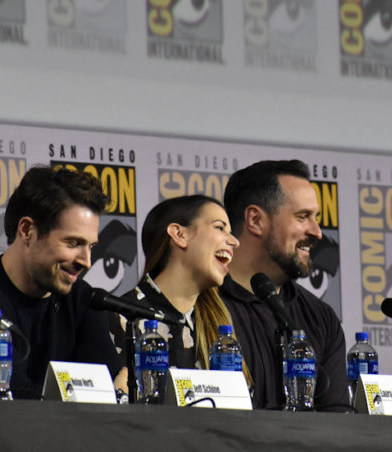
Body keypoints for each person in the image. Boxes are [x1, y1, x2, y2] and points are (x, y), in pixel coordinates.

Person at [0, 166, 121, 399]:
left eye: (91, 247)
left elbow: (108, 390)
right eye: (73, 243)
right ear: (27, 230)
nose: (86, 261)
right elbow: (13, 401)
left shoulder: (82, 299)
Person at [219, 159, 349, 412]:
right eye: (303, 217)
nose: (317, 232)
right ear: (255, 220)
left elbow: (336, 422)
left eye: (315, 218)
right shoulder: (201, 304)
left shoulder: (321, 318)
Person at [110, 195, 251, 392]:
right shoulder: (119, 318)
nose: (235, 242)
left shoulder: (223, 327)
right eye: (219, 227)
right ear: (179, 235)